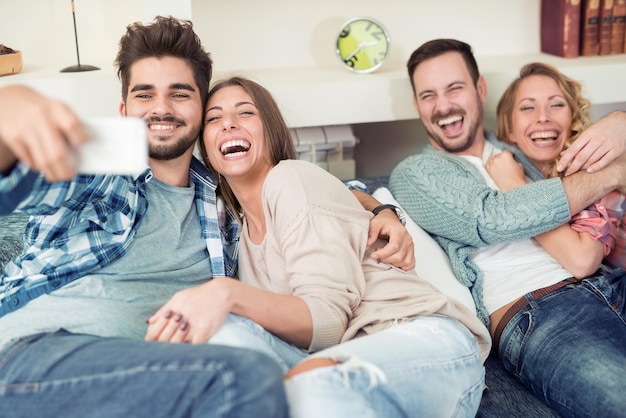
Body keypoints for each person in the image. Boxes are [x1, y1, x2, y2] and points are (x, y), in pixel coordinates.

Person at [145, 76, 492, 418]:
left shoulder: (290, 178)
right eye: (214, 118)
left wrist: (226, 293)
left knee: (312, 385)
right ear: (204, 143)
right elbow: (345, 194)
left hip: (422, 342)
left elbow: (327, 321)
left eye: (245, 113)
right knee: (224, 335)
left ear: (271, 130)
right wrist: (378, 206)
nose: (229, 125)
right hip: (340, 359)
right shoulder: (234, 231)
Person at [0, 16, 293, 418]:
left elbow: (309, 195)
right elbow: (16, 179)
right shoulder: (96, 173)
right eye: (144, 95)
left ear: (202, 108)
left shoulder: (223, 198)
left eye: (179, 94)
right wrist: (8, 112)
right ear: (124, 110)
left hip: (146, 379)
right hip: (34, 353)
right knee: (238, 377)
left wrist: (377, 209)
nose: (161, 108)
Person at [389, 38, 626, 417]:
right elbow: (494, 218)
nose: (443, 105)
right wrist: (615, 171)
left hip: (608, 283)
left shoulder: (525, 149)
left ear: (480, 89)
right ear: (417, 105)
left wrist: (620, 123)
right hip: (539, 312)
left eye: (455, 88)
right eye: (428, 95)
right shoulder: (416, 174)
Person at [489, 62, 625, 273]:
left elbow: (582, 261)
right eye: (527, 107)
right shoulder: (516, 168)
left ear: (573, 118)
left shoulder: (594, 165)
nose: (543, 117)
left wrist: (515, 186)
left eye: (556, 105)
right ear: (510, 129)